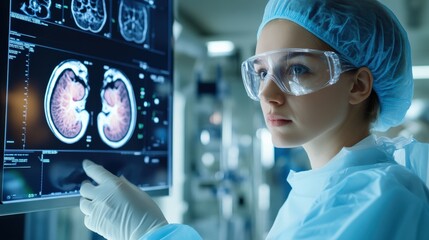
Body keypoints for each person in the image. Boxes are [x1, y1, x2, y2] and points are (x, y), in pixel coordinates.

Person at [79, 0, 429, 239]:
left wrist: (152, 233)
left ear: (359, 85)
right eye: (261, 73)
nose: (267, 94)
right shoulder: (322, 189)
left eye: (297, 69)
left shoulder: (381, 196)